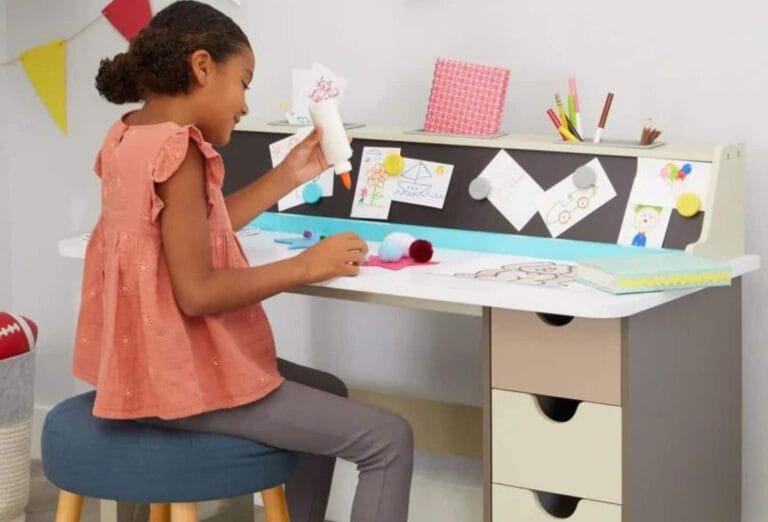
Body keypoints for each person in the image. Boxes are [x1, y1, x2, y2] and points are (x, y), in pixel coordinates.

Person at [73, 2, 413, 520]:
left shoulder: (129, 135)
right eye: (244, 83)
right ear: (203, 67)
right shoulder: (179, 149)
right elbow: (198, 291)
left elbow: (190, 234)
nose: (245, 105)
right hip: (178, 384)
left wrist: (286, 177)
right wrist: (307, 266)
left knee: (329, 391)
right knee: (388, 438)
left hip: (139, 368)